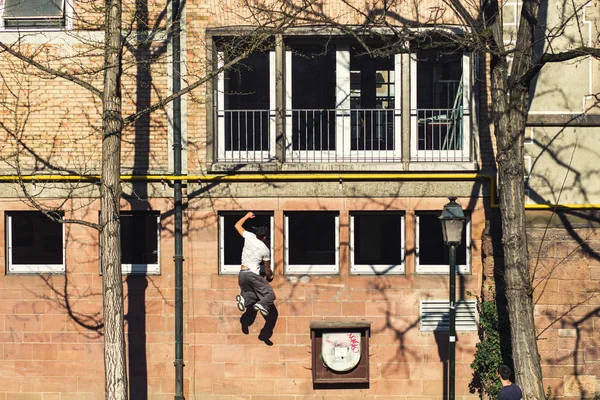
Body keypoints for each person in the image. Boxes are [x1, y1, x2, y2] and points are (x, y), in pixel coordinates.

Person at [234, 212, 276, 317]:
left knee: (252, 295)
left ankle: (244, 300)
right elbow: (267, 267)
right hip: (252, 275)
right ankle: (262, 305)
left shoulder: (249, 236)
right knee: (270, 294)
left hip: (242, 274)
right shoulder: (265, 250)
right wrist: (270, 276)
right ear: (265, 237)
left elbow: (237, 225)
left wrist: (247, 216)